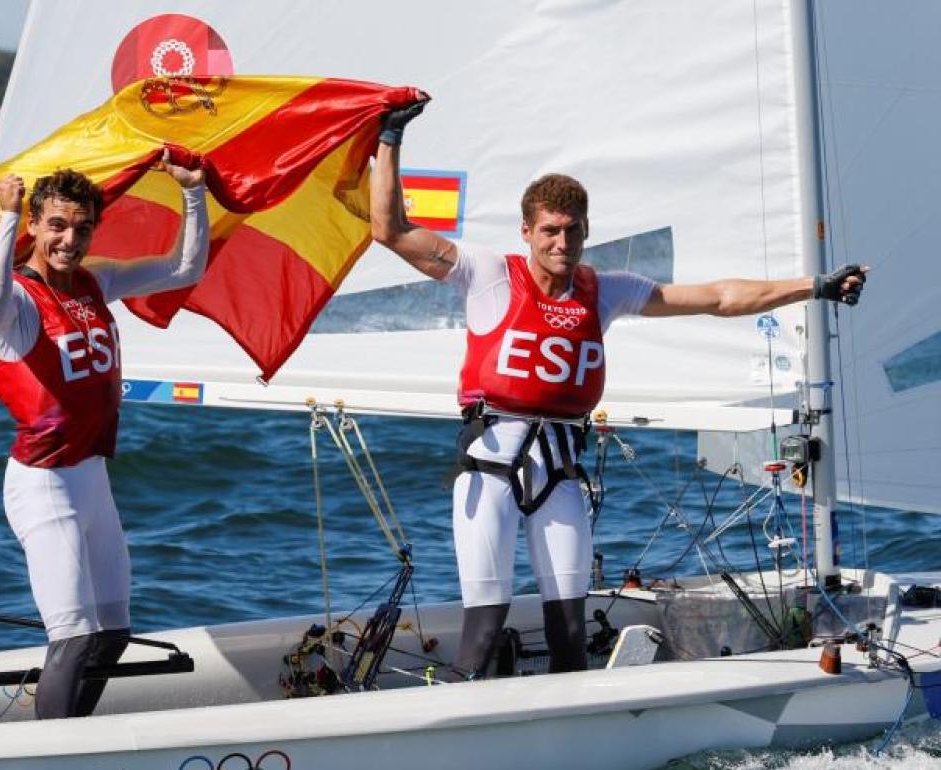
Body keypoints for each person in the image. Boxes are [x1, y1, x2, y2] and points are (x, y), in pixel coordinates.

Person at [369, 101, 867, 679]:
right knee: (484, 623)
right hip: (490, 473)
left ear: (586, 230)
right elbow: (390, 230)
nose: (561, 241)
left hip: (558, 472)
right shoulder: (488, 273)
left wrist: (814, 286)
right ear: (526, 231)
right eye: (549, 230)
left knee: (571, 626)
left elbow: (720, 298)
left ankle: (568, 733)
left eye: (572, 230)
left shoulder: (605, 290)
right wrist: (390, 136)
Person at [0, 156, 209, 718]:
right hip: (44, 485)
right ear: (34, 224)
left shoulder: (93, 282)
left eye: (81, 228)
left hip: (92, 481)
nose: (69, 240)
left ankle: (74, 733)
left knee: (113, 633)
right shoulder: (19, 303)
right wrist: (6, 217)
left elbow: (184, 268)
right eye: (56, 225)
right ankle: (48, 753)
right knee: (73, 637)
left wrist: (194, 195)